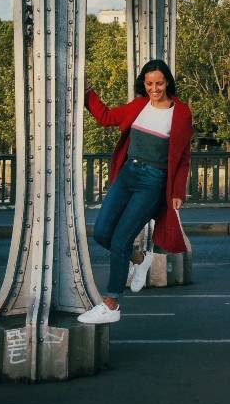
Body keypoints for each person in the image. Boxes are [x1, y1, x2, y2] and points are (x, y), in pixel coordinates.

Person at [78, 59, 192, 325]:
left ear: (168, 83)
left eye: (159, 83)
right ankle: (139, 258)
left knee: (119, 241)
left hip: (152, 182)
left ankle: (111, 304)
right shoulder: (139, 105)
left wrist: (177, 191)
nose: (154, 89)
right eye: (149, 83)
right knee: (103, 233)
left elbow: (184, 155)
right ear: (144, 83)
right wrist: (87, 93)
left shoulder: (181, 113)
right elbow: (105, 117)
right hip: (128, 174)